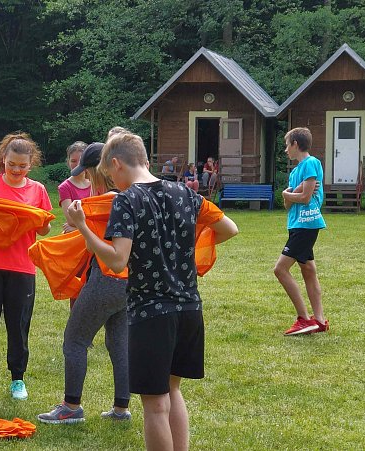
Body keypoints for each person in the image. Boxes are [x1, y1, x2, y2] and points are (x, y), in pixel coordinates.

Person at [67, 132, 238, 451]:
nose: (113, 181)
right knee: (173, 391)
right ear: (144, 159)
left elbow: (117, 260)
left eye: (110, 174)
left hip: (151, 313)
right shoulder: (185, 193)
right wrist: (184, 251)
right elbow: (230, 228)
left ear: (116, 163)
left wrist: (84, 228)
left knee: (155, 404)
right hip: (189, 308)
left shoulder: (126, 200)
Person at [37, 142, 131, 424]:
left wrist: (80, 223)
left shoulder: (103, 202)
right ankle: (121, 408)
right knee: (118, 343)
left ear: (100, 170)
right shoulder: (132, 197)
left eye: (89, 173)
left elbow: (91, 243)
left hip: (106, 279)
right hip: (130, 283)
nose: (87, 179)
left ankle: (71, 407)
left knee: (75, 339)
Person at [0, 132, 52, 402]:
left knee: (18, 326)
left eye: (22, 166)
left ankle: (18, 379)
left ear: (31, 164)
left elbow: (44, 229)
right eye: (11, 164)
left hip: (22, 268)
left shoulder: (38, 190)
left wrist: (34, 220)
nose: (16, 170)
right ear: (2, 159)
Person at [275, 127, 329, 336]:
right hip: (296, 224)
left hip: (307, 224)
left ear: (295, 144)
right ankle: (320, 321)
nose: (285, 150)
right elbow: (288, 205)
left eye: (287, 145)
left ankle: (304, 319)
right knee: (308, 270)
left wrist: (288, 194)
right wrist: (290, 194)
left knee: (280, 270)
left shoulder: (311, 163)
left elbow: (305, 198)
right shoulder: (295, 172)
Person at [58, 141, 90, 234]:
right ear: (68, 162)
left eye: (80, 161)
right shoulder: (65, 187)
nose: (77, 165)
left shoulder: (95, 183)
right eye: (73, 161)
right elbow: (71, 220)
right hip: (76, 238)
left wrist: (77, 229)